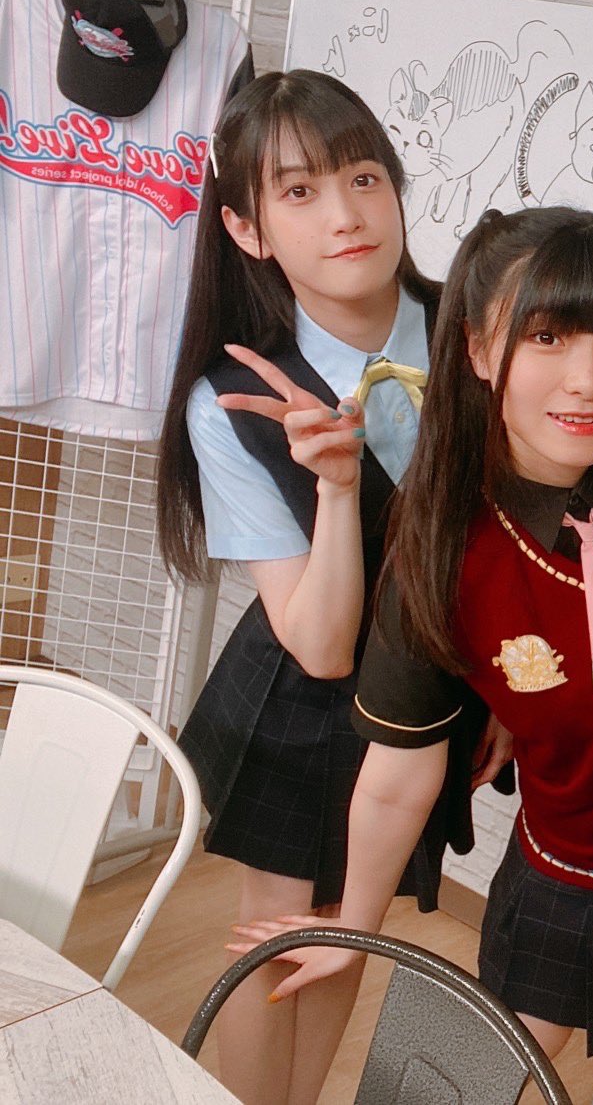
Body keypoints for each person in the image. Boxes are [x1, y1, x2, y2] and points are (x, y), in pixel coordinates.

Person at [230, 208, 593, 1104]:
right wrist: (352, 928)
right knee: (443, 1078)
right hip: (558, 861)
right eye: (546, 336)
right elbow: (397, 773)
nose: (587, 379)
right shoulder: (442, 537)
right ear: (476, 347)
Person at [156, 69, 457, 1105]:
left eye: (363, 177)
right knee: (280, 935)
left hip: (422, 687)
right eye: (299, 191)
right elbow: (320, 644)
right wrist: (335, 488)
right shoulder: (230, 399)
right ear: (246, 229)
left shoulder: (479, 328)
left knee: (348, 935)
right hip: (301, 693)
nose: (345, 214)